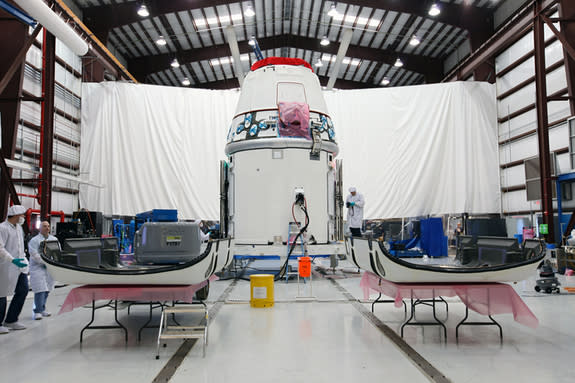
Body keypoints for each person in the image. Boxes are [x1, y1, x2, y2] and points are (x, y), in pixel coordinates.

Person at [0, 205, 30, 334]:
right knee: (2, 294)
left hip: (19, 267)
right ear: (16, 216)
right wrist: (12, 260)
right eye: (22, 215)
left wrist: (24, 261)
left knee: (22, 290)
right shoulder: (2, 228)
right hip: (5, 266)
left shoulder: (19, 228)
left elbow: (20, 246)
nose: (23, 217)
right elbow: (0, 248)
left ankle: (11, 320)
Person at [28, 220, 57, 320]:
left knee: (47, 289)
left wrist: (53, 263)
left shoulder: (54, 239)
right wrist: (46, 262)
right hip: (38, 268)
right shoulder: (34, 240)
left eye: (48, 226)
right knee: (40, 289)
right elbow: (34, 254)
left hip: (50, 269)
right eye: (44, 226)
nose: (47, 228)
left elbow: (58, 252)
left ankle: (43, 308)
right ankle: (38, 311)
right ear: (40, 228)